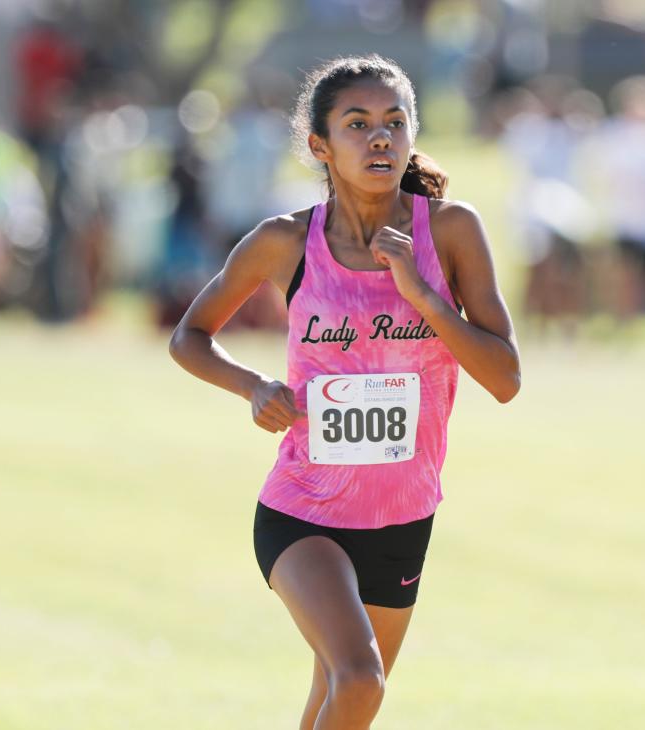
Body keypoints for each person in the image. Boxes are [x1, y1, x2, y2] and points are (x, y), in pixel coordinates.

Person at [169, 55, 521, 729]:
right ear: (320, 146)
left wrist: (424, 295)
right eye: (357, 124)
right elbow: (190, 336)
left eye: (394, 121)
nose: (380, 137)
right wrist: (252, 387)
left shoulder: (449, 232)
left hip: (404, 518)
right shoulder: (284, 242)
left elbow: (504, 379)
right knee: (360, 681)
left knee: (335, 702)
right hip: (304, 513)